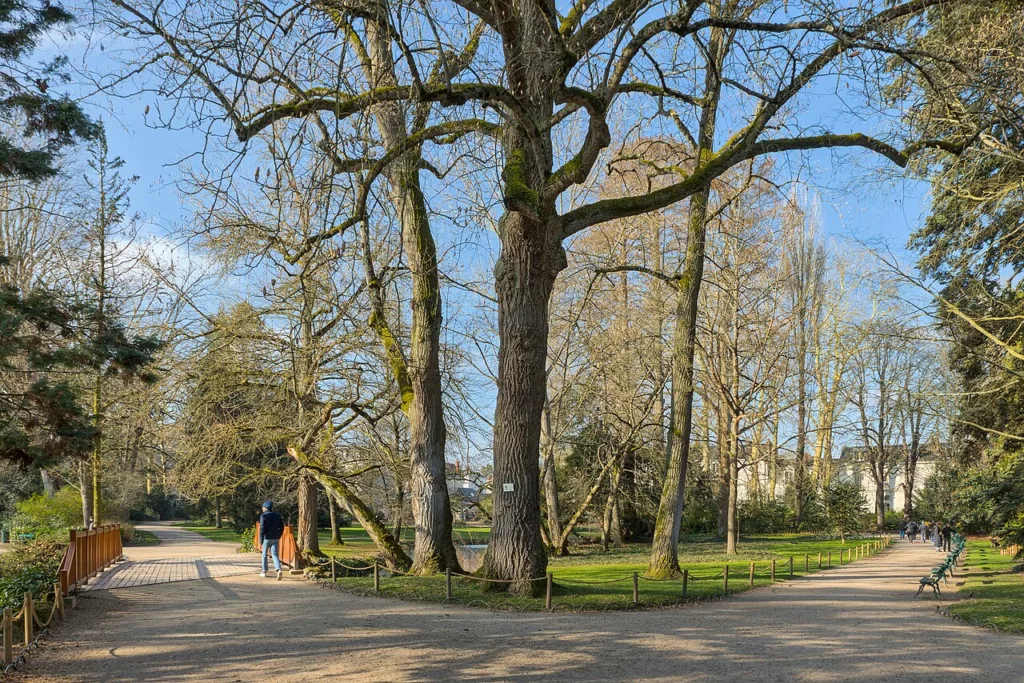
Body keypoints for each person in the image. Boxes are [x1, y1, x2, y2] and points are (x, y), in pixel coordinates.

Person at [259, 501, 284, 580]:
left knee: (264, 555)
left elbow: (262, 528)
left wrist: (261, 539)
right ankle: (278, 569)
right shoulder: (277, 515)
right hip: (275, 538)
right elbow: (282, 527)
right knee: (275, 554)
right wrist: (278, 535)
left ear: (265, 507)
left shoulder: (263, 516)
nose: (262, 508)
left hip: (267, 538)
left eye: (263, 507)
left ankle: (264, 571)